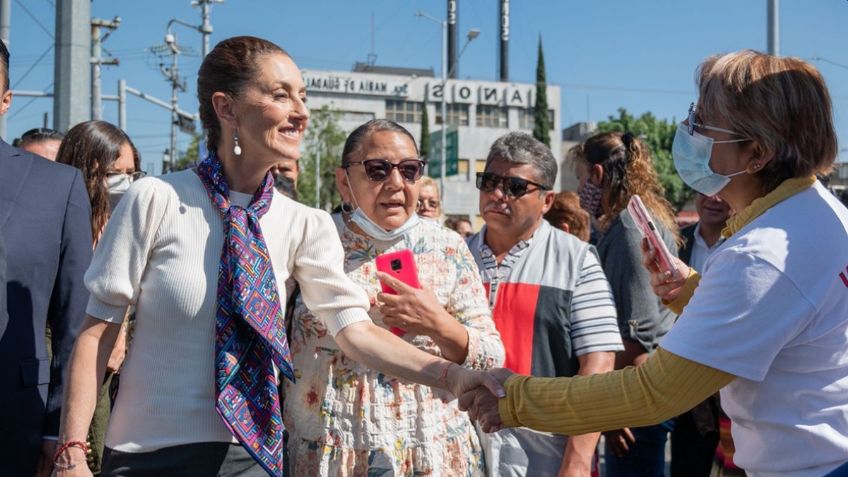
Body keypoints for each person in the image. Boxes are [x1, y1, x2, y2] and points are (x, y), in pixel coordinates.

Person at [55, 36, 499, 477]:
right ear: (226, 109)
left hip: (251, 458)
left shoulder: (305, 223)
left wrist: (452, 376)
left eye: (302, 96)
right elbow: (96, 335)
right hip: (146, 454)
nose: (300, 112)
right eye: (280, 94)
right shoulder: (155, 198)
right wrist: (72, 452)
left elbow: (357, 332)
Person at [458, 50, 848, 477]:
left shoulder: (761, 254)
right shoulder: (815, 215)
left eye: (703, 121)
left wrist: (512, 399)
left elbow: (655, 392)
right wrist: (695, 292)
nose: (688, 130)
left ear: (755, 152)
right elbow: (789, 321)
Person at [284, 119, 504, 476]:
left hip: (431, 448)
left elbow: (492, 356)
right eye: (377, 170)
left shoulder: (448, 247)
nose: (396, 184)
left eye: (409, 170)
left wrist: (439, 324)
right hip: (332, 448)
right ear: (344, 181)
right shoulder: (313, 240)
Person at [466, 132, 622, 477]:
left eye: (515, 187)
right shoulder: (452, 255)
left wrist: (577, 461)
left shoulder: (576, 260)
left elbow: (598, 367)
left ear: (547, 201)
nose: (497, 194)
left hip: (542, 455)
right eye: (489, 181)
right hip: (459, 450)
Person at [0, 39, 93, 477]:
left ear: (5, 100)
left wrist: (59, 431)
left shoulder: (57, 186)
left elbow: (73, 320)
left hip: (15, 419)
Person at [569, 130, 679, 477]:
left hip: (636, 398)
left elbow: (639, 333)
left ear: (597, 175)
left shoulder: (629, 229)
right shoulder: (632, 221)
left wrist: (608, 408)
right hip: (636, 391)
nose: (578, 190)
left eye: (581, 178)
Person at [55, 120, 145, 475]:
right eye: (113, 173)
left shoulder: (136, 230)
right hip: (69, 390)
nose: (125, 183)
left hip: (126, 396)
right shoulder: (64, 231)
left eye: (132, 173)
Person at [670, 192, 731, 477]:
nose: (714, 198)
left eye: (723, 188)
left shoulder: (747, 245)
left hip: (730, 389)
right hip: (682, 387)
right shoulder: (674, 242)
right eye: (707, 188)